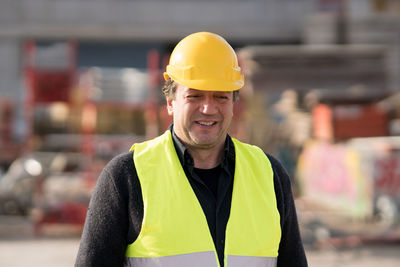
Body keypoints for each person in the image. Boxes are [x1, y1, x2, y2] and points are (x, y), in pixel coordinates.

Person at [75, 32, 308, 267]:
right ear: (170, 102)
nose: (208, 108)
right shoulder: (126, 177)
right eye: (194, 96)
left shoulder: (269, 175)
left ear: (234, 103)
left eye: (220, 97)